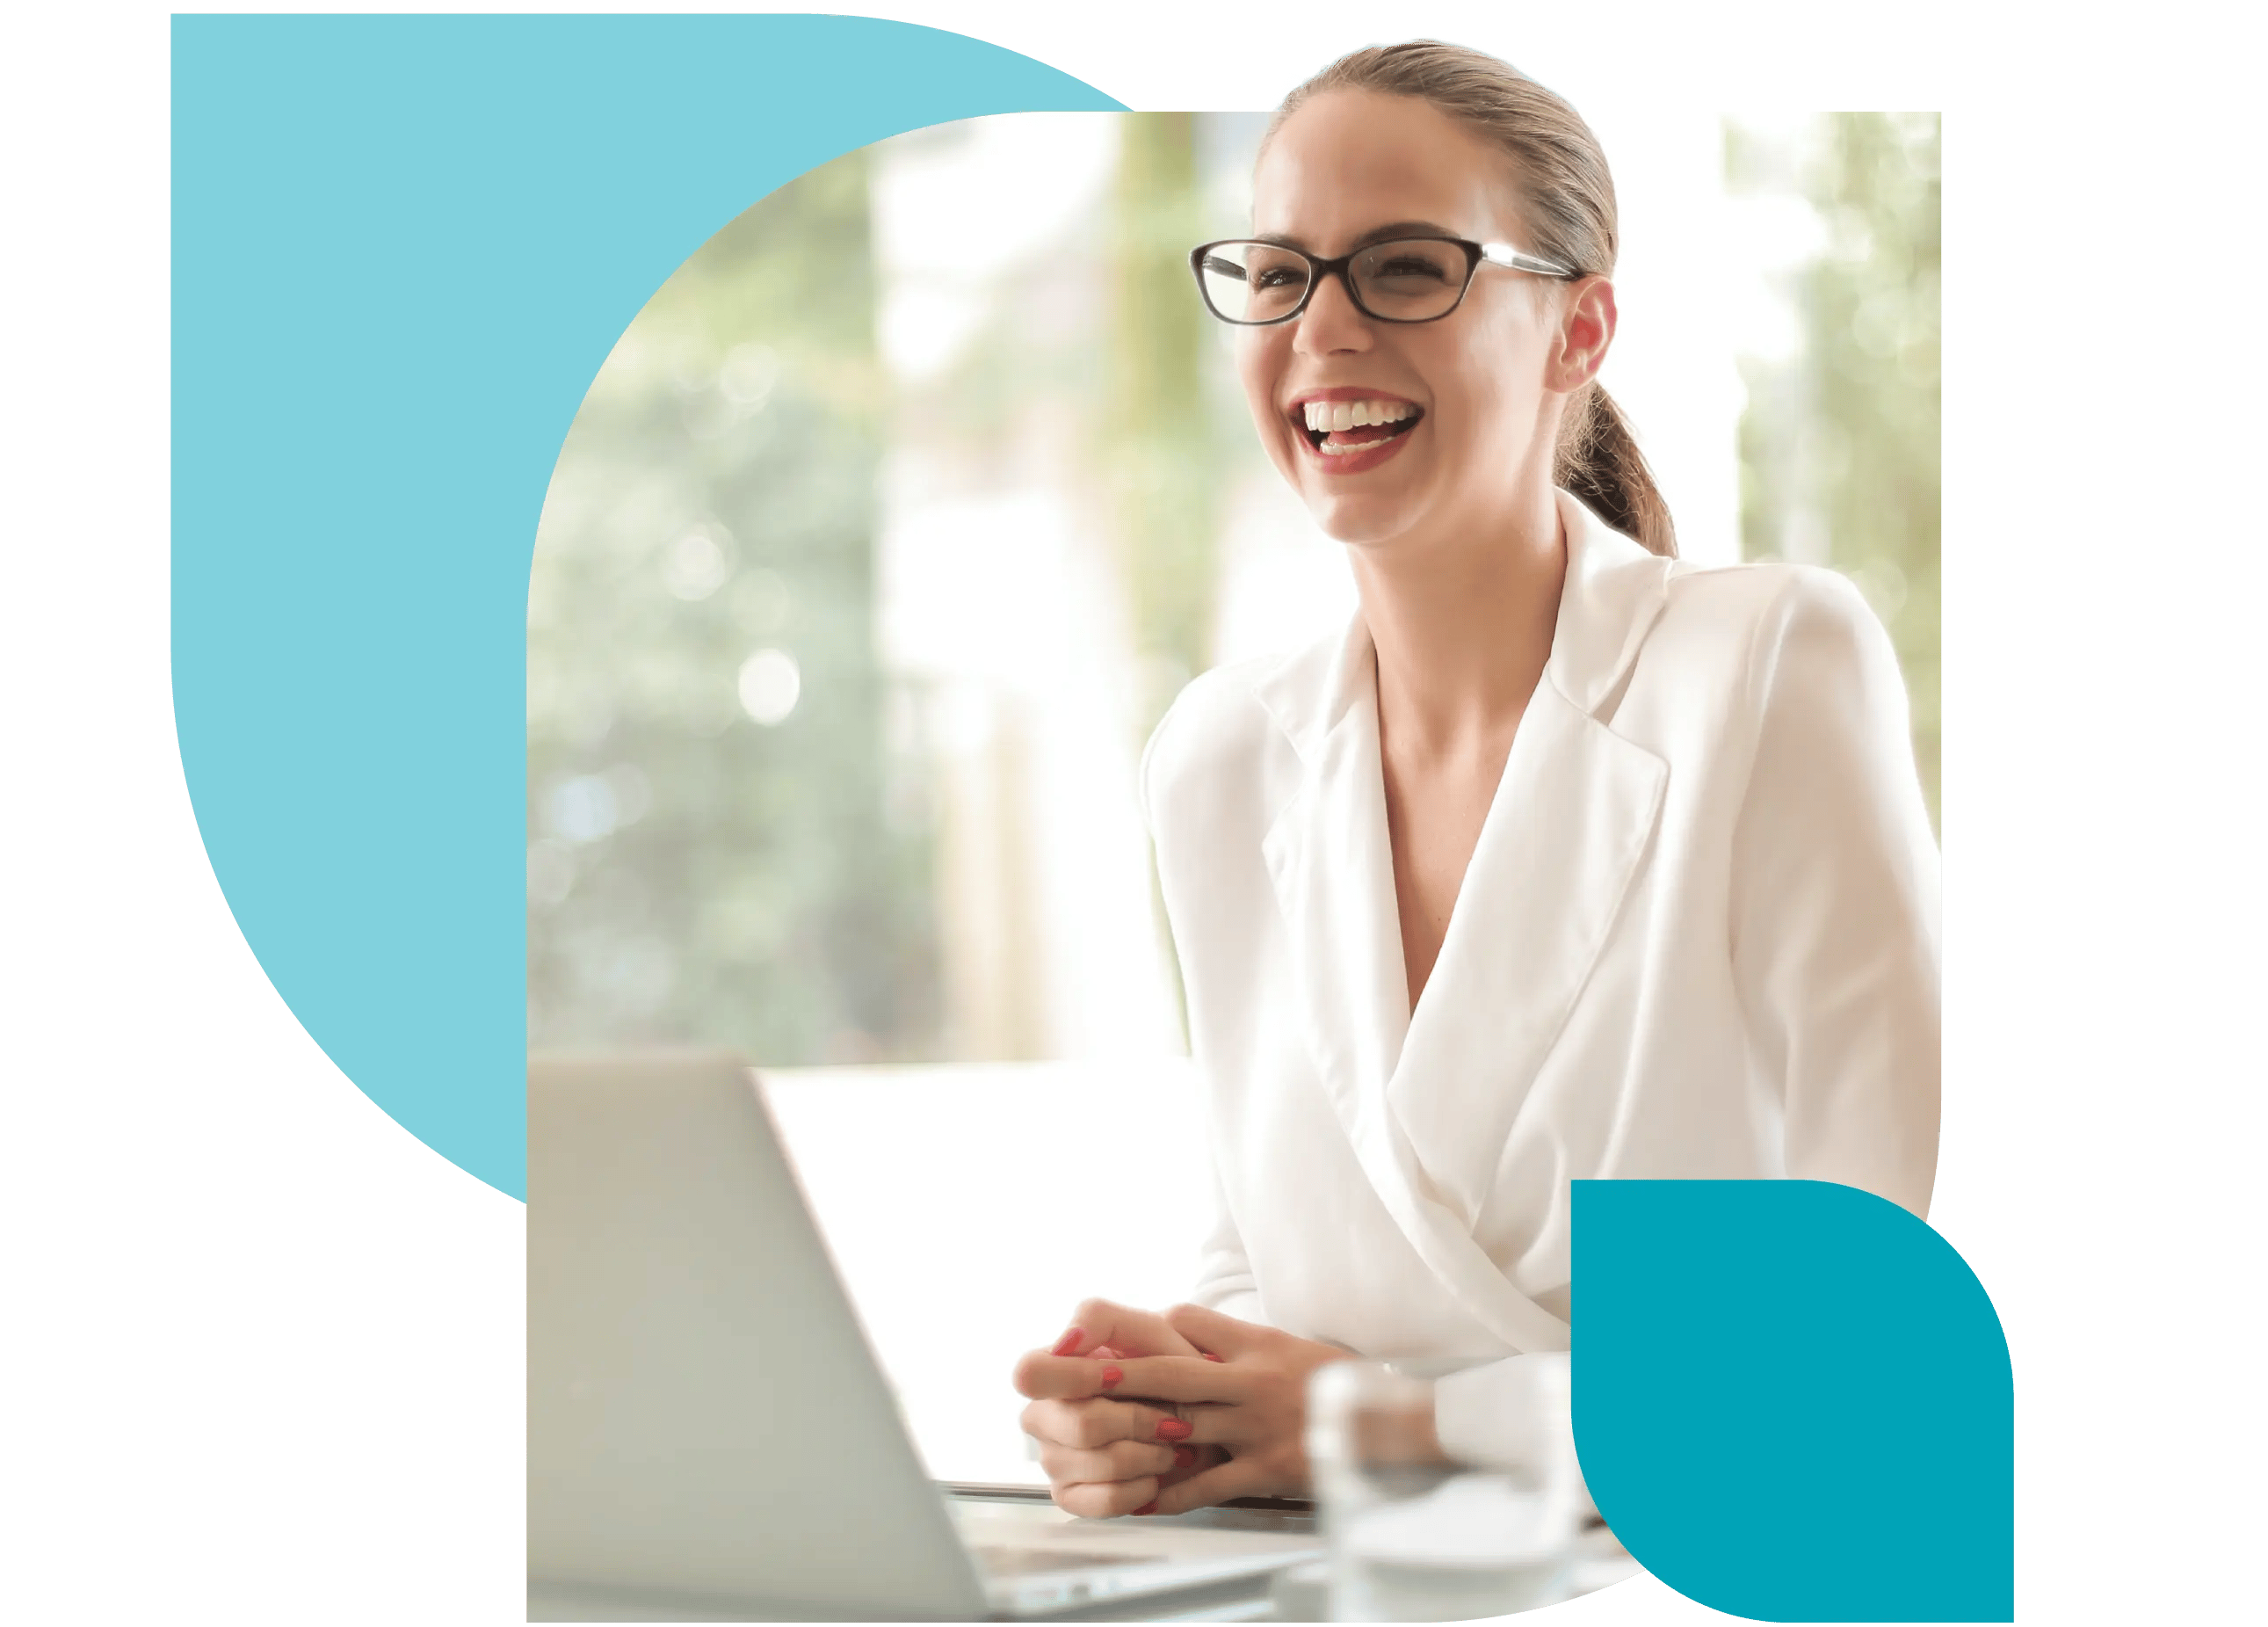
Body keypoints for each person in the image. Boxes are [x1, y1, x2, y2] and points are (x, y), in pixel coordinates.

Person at [1012, 37, 1941, 1521]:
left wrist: (1392, 1424)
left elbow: (1850, 1353)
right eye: (1278, 273)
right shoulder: (1220, 758)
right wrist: (1156, 1414)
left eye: (1404, 269)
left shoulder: (1764, 670)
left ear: (1581, 329)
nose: (1320, 330)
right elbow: (1261, 1264)